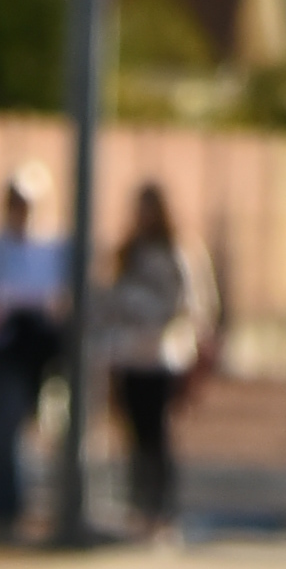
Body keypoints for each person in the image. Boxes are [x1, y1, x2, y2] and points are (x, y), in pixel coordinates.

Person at [98, 179, 216, 539]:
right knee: (135, 434)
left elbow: (191, 303)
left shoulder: (177, 250)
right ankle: (139, 505)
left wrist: (166, 323)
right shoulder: (129, 251)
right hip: (130, 355)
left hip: (164, 356)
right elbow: (111, 297)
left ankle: (162, 508)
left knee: (158, 433)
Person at [0, 161, 68, 542]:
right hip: (7, 349)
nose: (20, 210)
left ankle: (54, 508)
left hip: (45, 352)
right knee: (2, 429)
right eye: (15, 202)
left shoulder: (54, 249)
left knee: (52, 431)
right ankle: (5, 510)